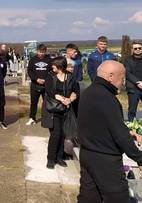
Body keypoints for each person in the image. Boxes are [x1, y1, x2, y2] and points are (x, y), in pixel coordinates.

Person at [77, 60, 142, 203]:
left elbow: (97, 123)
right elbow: (120, 135)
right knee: (116, 198)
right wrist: (139, 158)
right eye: (122, 78)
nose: (123, 82)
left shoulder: (88, 92)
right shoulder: (108, 99)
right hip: (106, 161)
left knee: (89, 197)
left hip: (87, 154)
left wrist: (127, 131)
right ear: (111, 76)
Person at [43, 57, 79, 169]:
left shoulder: (70, 77)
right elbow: (49, 91)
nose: (52, 66)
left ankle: (59, 157)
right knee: (55, 134)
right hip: (53, 109)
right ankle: (50, 158)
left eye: (54, 65)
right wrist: (62, 99)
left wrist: (70, 99)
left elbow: (76, 90)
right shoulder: (50, 76)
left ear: (60, 67)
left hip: (66, 109)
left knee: (63, 135)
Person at [26, 44, 52, 125]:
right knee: (34, 103)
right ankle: (32, 118)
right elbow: (29, 71)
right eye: (39, 52)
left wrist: (46, 80)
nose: (41, 54)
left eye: (43, 52)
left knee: (46, 103)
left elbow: (52, 71)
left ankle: (47, 118)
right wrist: (36, 79)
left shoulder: (49, 60)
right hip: (35, 85)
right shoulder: (33, 60)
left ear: (45, 51)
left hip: (46, 85)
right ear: (37, 51)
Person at [124, 41, 142, 122]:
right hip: (133, 89)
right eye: (135, 48)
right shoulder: (127, 60)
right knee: (132, 110)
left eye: (139, 48)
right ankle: (132, 128)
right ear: (132, 49)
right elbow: (127, 73)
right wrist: (138, 82)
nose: (137, 49)